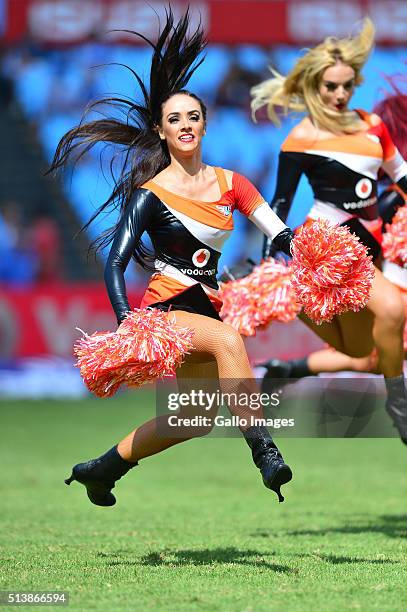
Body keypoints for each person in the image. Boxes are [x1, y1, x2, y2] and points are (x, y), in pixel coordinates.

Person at [49, 11, 295, 507]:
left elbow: (278, 231)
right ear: (161, 132)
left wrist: (299, 253)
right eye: (174, 119)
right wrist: (126, 322)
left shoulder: (232, 183)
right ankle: (264, 451)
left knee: (194, 419)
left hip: (207, 304)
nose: (185, 124)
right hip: (165, 309)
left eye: (193, 116)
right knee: (228, 342)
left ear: (204, 124)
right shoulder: (149, 193)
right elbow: (115, 263)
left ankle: (101, 468)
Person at [251, 18, 407, 442]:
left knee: (358, 349)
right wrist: (268, 264)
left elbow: (402, 179)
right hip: (328, 245)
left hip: (369, 245)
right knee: (393, 310)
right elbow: (277, 206)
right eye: (330, 87)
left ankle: (298, 304)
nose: (339, 95)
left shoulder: (374, 127)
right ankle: (399, 403)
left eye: (346, 86)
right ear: (314, 86)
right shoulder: (301, 138)